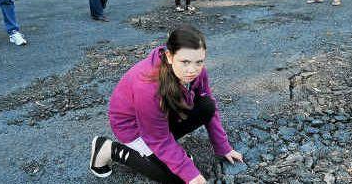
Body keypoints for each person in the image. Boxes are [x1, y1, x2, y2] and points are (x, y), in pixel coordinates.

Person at [90, 25, 243, 184]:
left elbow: (210, 106)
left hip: (161, 118)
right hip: (134, 127)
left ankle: (166, 155)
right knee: (178, 178)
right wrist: (188, 171)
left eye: (199, 62)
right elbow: (158, 139)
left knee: (206, 106)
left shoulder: (197, 71)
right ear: (169, 56)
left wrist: (223, 146)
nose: (192, 70)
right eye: (185, 62)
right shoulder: (147, 87)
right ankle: (109, 149)